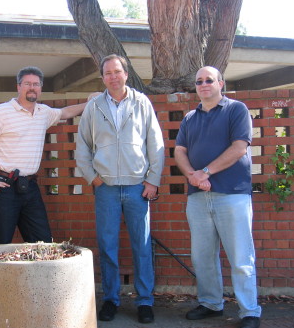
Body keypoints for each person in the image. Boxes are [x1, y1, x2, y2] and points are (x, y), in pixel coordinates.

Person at [76, 54, 164, 324]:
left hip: (138, 187)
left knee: (142, 246)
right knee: (108, 246)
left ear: (126, 74)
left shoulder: (142, 103)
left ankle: (145, 301)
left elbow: (156, 144)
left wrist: (152, 181)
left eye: (117, 71)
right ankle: (111, 300)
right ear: (102, 77)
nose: (113, 77)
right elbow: (82, 147)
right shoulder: (94, 107)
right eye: (107, 73)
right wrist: (94, 178)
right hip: (107, 190)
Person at [174, 66, 261, 328]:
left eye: (209, 80)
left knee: (241, 257)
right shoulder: (190, 117)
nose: (203, 84)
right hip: (198, 196)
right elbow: (180, 151)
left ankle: (249, 312)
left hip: (232, 195)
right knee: (202, 256)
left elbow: (239, 148)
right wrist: (193, 175)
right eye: (199, 81)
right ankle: (211, 304)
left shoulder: (237, 109)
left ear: (220, 83)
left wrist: (206, 172)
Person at [0, 66, 87, 245]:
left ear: (40, 88)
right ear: (18, 87)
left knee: (42, 243)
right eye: (27, 84)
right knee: (2, 245)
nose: (32, 87)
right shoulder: (2, 112)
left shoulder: (43, 113)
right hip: (3, 187)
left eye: (36, 84)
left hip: (30, 187)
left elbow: (66, 112)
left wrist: (91, 103)